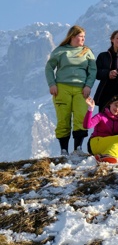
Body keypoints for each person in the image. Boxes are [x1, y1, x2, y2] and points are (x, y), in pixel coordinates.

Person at [45, 25, 97, 156]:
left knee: (81, 117)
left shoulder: (87, 52)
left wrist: (88, 86)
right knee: (63, 118)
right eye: (81, 36)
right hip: (62, 88)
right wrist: (52, 84)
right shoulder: (60, 51)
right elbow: (49, 67)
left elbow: (92, 71)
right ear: (72, 36)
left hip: (81, 89)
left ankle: (78, 148)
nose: (83, 39)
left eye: (84, 37)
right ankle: (63, 150)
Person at [83, 96, 118, 163]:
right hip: (95, 143)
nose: (117, 109)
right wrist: (90, 109)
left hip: (107, 146)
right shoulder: (101, 116)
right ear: (110, 104)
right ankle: (108, 155)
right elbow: (87, 126)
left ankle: (101, 156)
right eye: (116, 105)